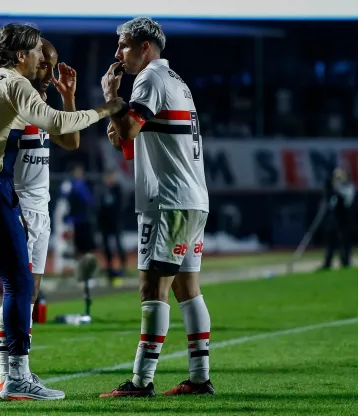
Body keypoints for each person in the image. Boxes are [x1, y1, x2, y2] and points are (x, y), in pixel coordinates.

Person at [0, 23, 124, 403]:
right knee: (19, 283)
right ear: (21, 55)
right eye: (38, 52)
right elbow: (56, 123)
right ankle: (17, 375)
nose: (43, 61)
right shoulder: (16, 84)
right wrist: (105, 109)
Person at [98, 17, 215, 398]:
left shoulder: (149, 79)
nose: (118, 53)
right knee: (187, 288)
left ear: (145, 47)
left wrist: (111, 100)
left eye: (124, 46)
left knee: (152, 286)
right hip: (191, 198)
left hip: (168, 201)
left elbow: (128, 131)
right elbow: (130, 146)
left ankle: (140, 381)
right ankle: (199, 378)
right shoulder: (174, 80)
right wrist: (119, 119)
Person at [0, 38, 83, 396]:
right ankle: (11, 376)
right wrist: (10, 204)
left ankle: (13, 376)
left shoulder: (41, 103)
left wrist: (69, 98)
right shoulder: (13, 101)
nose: (48, 71)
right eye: (44, 64)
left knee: (29, 295)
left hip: (39, 207)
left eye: (53, 64)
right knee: (18, 292)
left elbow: (72, 142)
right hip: (21, 208)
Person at [321, 167, 356, 269]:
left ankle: (345, 262)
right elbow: (328, 200)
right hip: (333, 221)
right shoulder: (331, 189)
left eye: (340, 176)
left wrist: (338, 189)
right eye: (336, 176)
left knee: (345, 242)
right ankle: (327, 262)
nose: (338, 178)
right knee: (331, 243)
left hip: (344, 220)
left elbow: (348, 201)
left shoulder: (348, 187)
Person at [98, 170, 127, 283]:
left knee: (119, 245)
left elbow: (121, 205)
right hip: (105, 223)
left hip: (115, 222)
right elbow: (98, 206)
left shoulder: (117, 189)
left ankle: (122, 266)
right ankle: (109, 267)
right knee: (106, 247)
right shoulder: (101, 189)